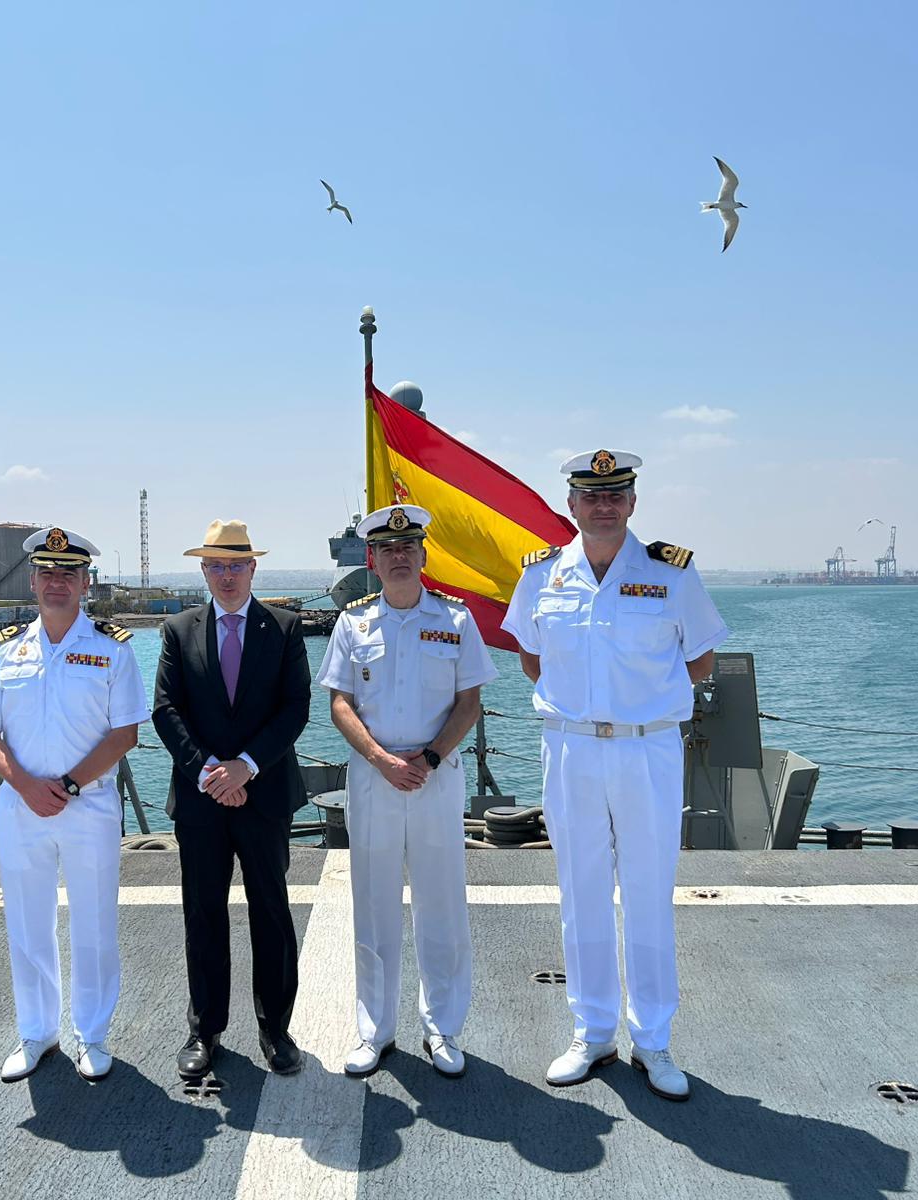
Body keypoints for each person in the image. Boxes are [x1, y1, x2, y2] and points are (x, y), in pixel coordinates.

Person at [501, 450, 728, 1100]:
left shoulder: (672, 574)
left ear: (632, 502)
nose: (603, 506)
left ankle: (652, 1042)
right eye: (590, 496)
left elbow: (703, 659)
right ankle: (593, 1032)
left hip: (647, 750)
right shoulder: (543, 575)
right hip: (572, 750)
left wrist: (644, 705)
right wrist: (588, 711)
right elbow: (531, 660)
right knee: (581, 891)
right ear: (572, 504)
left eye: (615, 495)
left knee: (650, 892)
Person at [0, 527, 148, 1084]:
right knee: (26, 920)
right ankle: (36, 1033)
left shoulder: (112, 649)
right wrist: (24, 784)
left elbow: (125, 735)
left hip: (86, 806)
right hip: (21, 807)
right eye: (47, 573)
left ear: (86, 582)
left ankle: (91, 1034)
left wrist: (63, 786)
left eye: (68, 573)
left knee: (93, 921)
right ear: (33, 581)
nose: (57, 583)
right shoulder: (6, 652)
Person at [315, 504, 496, 1079]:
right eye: (388, 550)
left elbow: (470, 702)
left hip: (436, 778)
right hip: (374, 778)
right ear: (373, 558)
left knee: (442, 904)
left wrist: (431, 758)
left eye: (408, 548)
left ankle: (443, 1028)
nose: (398, 557)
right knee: (373, 905)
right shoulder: (353, 623)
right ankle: (376, 1031)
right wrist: (380, 759)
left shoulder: (457, 621)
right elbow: (339, 702)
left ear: (422, 557)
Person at [152, 519, 311, 1078]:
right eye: (215, 565)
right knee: (203, 913)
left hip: (263, 796)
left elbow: (295, 708)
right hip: (200, 802)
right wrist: (209, 775)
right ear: (202, 570)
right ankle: (205, 1030)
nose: (226, 575)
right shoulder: (178, 629)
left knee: (271, 911)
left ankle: (276, 1029)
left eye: (235, 564)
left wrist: (243, 768)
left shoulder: (285, 628)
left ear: (253, 569)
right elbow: (165, 710)